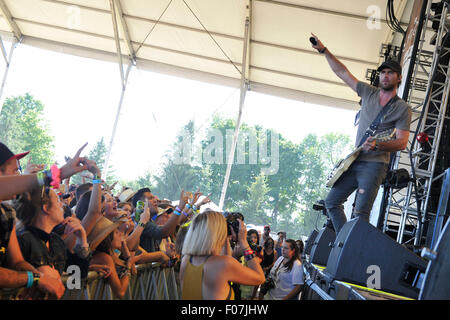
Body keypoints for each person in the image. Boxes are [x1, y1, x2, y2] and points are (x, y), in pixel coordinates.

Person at [310, 33, 411, 234]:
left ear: (398, 78)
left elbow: (401, 142)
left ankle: (351, 252)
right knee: (331, 202)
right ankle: (343, 241)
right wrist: (324, 50)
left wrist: (378, 145)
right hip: (355, 160)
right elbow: (342, 72)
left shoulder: (402, 108)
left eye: (390, 73)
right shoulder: (369, 92)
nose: (385, 76)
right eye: (383, 72)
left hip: (375, 165)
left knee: (360, 214)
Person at [0, 142, 90, 298]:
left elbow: (17, 262)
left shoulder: (7, 214)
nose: (20, 177)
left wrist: (40, 276)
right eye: (15, 171)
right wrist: (34, 279)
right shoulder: (26, 238)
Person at [180, 210, 265, 300]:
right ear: (218, 233)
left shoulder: (186, 259)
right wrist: (244, 244)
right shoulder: (223, 264)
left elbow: (226, 259)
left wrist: (225, 239)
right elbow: (260, 278)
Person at [14, 186, 91, 281]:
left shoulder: (55, 240)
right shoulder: (22, 240)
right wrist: (36, 279)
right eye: (58, 201)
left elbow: (79, 273)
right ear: (46, 207)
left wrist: (81, 240)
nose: (62, 205)